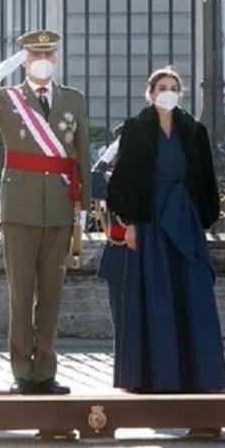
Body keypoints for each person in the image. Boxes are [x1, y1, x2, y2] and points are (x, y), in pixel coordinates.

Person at [0, 29, 91, 395]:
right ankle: (22, 370)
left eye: (48, 54)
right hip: (19, 209)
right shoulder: (6, 98)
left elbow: (82, 154)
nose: (42, 61)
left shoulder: (73, 100)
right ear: (25, 62)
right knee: (21, 294)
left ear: (57, 59)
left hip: (60, 207)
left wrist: (83, 210)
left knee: (51, 295)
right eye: (34, 56)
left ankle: (45, 369)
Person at [107, 67, 225, 394]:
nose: (168, 91)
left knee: (193, 290)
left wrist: (202, 215)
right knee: (155, 293)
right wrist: (129, 222)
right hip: (150, 220)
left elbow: (205, 178)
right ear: (150, 92)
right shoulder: (136, 129)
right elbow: (124, 179)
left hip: (184, 219)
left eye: (173, 87)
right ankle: (154, 376)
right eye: (162, 86)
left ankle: (200, 374)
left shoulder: (193, 130)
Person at [92, 125, 132, 387]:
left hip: (148, 257)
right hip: (119, 257)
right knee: (123, 328)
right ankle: (125, 379)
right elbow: (93, 182)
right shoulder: (111, 176)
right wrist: (111, 152)